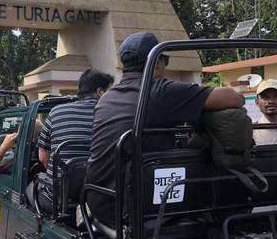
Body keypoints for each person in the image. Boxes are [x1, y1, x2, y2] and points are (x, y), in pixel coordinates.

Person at [87, 32, 245, 226]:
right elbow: (235, 98)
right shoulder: (161, 90)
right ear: (158, 62)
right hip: (137, 209)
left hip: (102, 201)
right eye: (166, 60)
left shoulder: (107, 97)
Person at [35, 69, 115, 213]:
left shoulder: (55, 112)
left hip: (60, 197)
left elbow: (43, 157)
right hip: (100, 194)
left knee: (32, 188)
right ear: (100, 92)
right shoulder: (111, 115)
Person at [253, 79, 277, 145]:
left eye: (276, 96)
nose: (271, 101)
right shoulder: (252, 131)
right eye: (265, 97)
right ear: (257, 102)